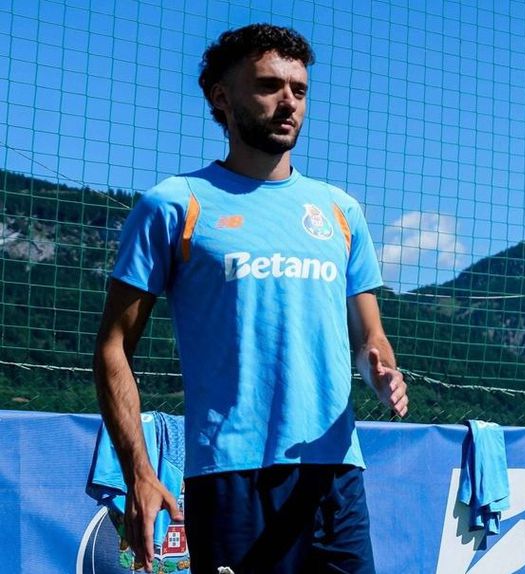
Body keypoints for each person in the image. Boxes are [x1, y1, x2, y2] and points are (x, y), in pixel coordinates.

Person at [93, 23, 408, 573]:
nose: (289, 102)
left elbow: (368, 336)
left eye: (300, 89)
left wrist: (378, 368)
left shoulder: (340, 211)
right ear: (221, 96)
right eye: (268, 86)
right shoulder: (174, 204)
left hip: (335, 472)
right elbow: (113, 347)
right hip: (231, 474)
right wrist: (139, 473)